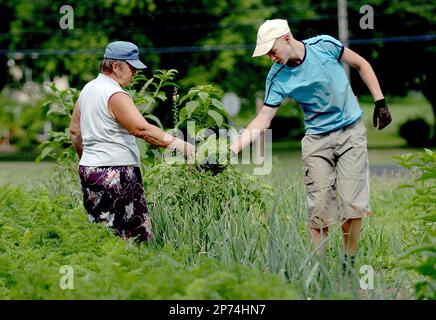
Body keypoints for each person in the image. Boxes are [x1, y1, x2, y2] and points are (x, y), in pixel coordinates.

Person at [229, 19, 392, 269]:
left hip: (351, 132)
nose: (271, 58)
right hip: (316, 140)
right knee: (318, 211)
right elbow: (263, 118)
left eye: (272, 50)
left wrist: (380, 102)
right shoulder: (277, 77)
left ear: (286, 38)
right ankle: (317, 270)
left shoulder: (324, 45)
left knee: (352, 206)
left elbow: (361, 64)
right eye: (266, 54)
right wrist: (231, 149)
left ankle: (349, 260)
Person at [69, 41, 195, 242]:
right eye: (132, 67)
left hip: (89, 170)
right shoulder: (114, 93)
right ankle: (128, 272)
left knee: (99, 234)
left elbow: (75, 132)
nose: (135, 73)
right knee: (131, 238)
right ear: (116, 66)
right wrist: (185, 147)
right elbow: (142, 129)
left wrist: (88, 160)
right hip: (116, 173)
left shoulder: (87, 90)